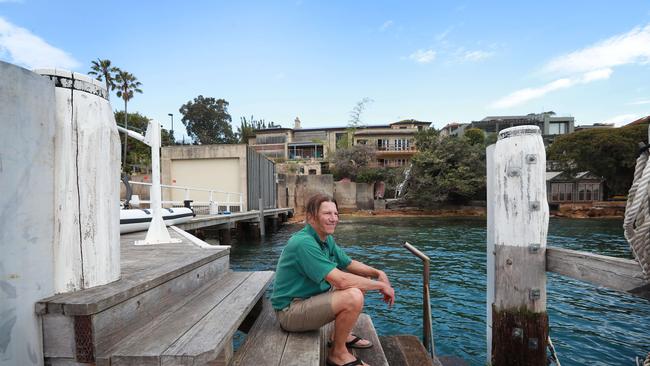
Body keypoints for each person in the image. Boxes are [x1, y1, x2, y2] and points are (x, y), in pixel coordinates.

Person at [271, 193, 395, 366]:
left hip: (309, 300)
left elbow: (348, 263)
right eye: (327, 214)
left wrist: (378, 272)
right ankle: (338, 353)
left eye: (336, 214)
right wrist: (381, 286)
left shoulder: (325, 238)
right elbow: (342, 281)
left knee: (361, 279)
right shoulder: (303, 243)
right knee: (353, 295)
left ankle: (339, 336)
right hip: (291, 312)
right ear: (311, 217)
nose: (333, 218)